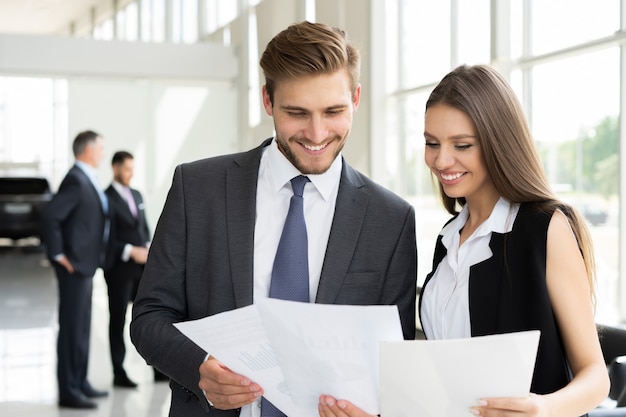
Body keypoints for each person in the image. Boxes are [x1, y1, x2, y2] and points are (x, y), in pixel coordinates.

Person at [130, 21, 417, 417]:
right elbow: (149, 317)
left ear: (356, 98)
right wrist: (199, 369)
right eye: (297, 113)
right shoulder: (197, 189)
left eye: (334, 111)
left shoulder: (391, 219)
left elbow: (393, 359)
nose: (317, 134)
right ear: (267, 101)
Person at [318, 64, 611, 417]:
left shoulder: (544, 227)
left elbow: (596, 377)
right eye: (432, 143)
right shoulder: (449, 240)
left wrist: (541, 408)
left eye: (462, 145)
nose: (441, 160)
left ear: (498, 142)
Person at [41, 130, 112, 409]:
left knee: (82, 327)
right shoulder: (76, 179)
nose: (103, 153)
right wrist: (59, 254)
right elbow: (50, 216)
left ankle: (80, 382)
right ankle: (69, 391)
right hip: (74, 268)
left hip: (85, 266)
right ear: (88, 150)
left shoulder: (86, 179)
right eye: (101, 148)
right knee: (72, 328)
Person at [103, 150, 156, 388]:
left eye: (133, 169)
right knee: (118, 319)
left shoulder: (136, 194)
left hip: (142, 268)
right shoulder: (105, 199)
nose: (130, 174)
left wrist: (147, 248)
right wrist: (128, 250)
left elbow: (144, 228)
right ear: (115, 168)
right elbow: (103, 238)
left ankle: (158, 368)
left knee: (151, 315)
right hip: (119, 269)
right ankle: (118, 372)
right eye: (127, 169)